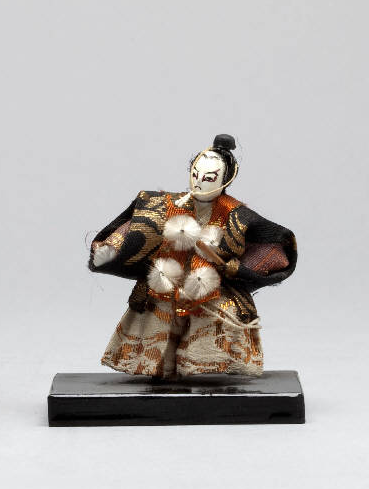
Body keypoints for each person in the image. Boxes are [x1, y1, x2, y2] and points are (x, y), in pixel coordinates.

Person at [89, 134, 297, 378]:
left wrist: (237, 267)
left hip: (210, 284)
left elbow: (271, 244)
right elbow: (140, 224)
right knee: (159, 320)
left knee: (217, 318)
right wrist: (112, 246)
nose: (199, 182)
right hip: (167, 277)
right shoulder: (170, 203)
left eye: (209, 178)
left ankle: (202, 364)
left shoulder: (236, 214)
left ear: (225, 179)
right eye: (195, 174)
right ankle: (163, 368)